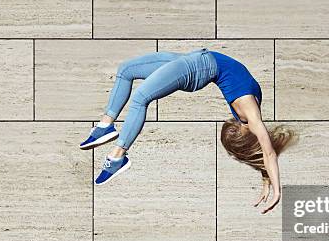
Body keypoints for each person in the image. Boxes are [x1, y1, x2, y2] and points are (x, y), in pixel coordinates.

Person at [80, 48, 297, 213]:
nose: (229, 125)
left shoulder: (251, 112)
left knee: (140, 98)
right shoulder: (251, 116)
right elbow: (266, 153)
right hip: (196, 61)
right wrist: (272, 184)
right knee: (126, 70)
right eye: (232, 133)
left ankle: (118, 156)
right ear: (245, 136)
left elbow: (266, 151)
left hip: (197, 67)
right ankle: (105, 125)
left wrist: (270, 179)